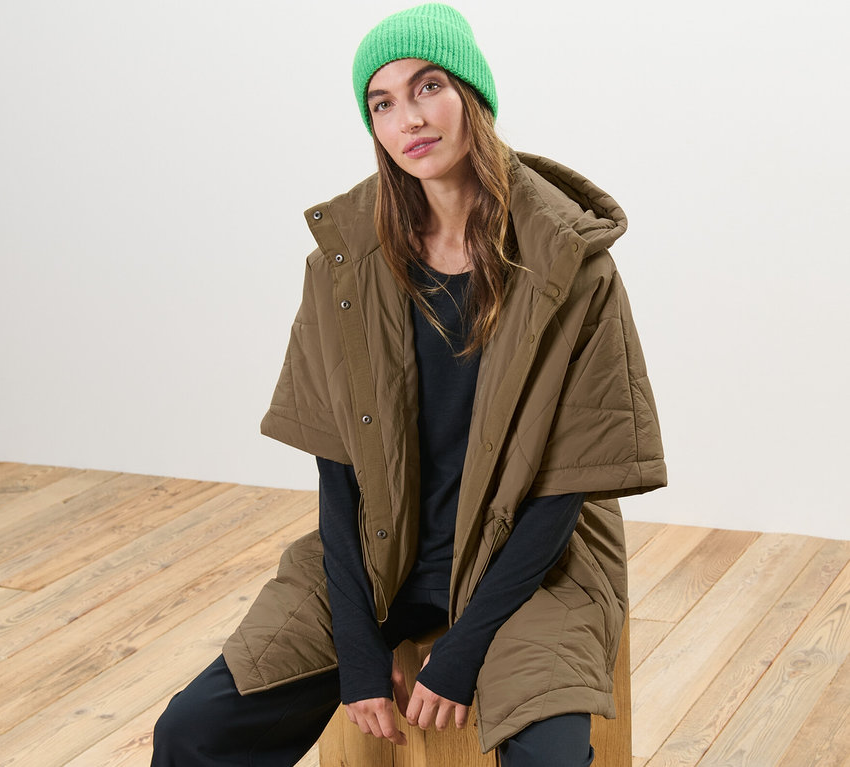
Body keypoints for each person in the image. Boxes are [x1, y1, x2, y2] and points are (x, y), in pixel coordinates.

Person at [151, 3, 666, 766]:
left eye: (428, 87)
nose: (408, 119)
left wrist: (461, 653)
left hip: (530, 565)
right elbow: (337, 468)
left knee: (551, 758)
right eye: (382, 103)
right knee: (190, 731)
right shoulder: (345, 261)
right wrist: (359, 647)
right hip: (379, 552)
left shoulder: (570, 262)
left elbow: (565, 493)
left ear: (473, 98)